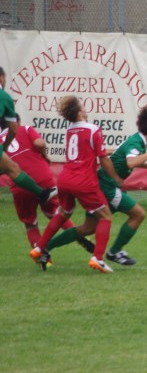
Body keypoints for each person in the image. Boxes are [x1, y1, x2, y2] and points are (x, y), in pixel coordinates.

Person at [43, 106, 147, 266]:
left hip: (102, 184)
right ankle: (114, 252)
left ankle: (46, 247)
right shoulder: (137, 143)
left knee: (88, 228)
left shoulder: (138, 140)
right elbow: (130, 161)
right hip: (108, 187)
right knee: (139, 214)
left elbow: (122, 160)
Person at [29, 96, 123, 274]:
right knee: (105, 216)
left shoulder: (70, 130)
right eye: (83, 108)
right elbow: (102, 158)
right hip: (83, 181)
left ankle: (39, 247)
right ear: (79, 112)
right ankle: (98, 258)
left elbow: (91, 151)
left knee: (64, 212)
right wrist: (116, 178)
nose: (86, 110)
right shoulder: (93, 129)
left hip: (65, 179)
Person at [0, 115, 91, 264]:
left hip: (21, 185)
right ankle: (79, 237)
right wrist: (44, 155)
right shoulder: (26, 129)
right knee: (58, 213)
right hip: (43, 178)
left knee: (30, 224)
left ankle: (43, 259)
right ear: (16, 123)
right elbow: (39, 143)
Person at [0, 66, 57, 206]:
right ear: (1, 77)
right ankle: (42, 194)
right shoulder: (5, 97)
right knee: (13, 168)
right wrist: (4, 147)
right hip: (44, 177)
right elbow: (13, 129)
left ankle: (43, 194)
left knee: (10, 167)